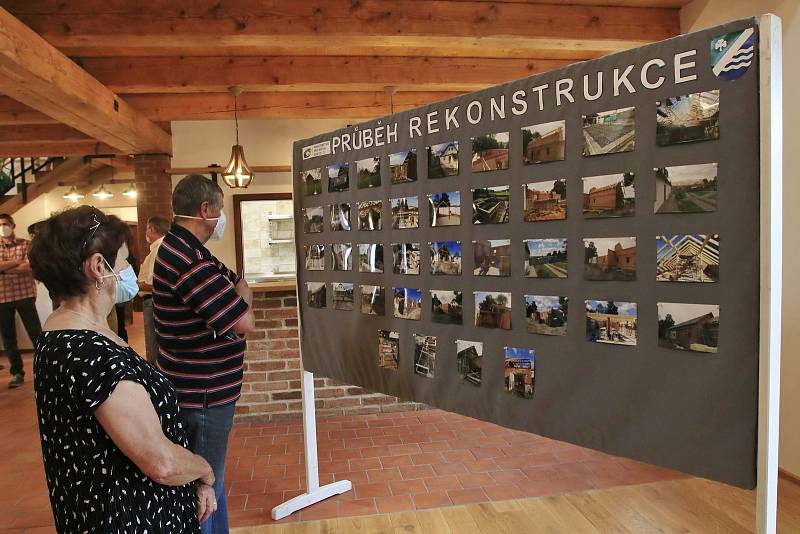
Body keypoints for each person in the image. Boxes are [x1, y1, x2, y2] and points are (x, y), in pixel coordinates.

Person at [28, 206, 217, 533]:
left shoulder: (60, 332)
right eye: (124, 261)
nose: (128, 270)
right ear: (98, 266)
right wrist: (204, 470)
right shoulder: (92, 353)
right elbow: (160, 462)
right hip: (131, 518)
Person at [154, 175, 255, 534]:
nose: (221, 218)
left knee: (210, 482)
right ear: (205, 209)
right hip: (204, 396)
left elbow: (234, 285)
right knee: (206, 486)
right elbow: (244, 320)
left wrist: (235, 299)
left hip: (200, 390)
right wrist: (239, 300)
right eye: (221, 210)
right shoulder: (189, 261)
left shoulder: (189, 250)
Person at [0, 213, 42, 388]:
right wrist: (16, 262)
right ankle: (17, 372)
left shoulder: (26, 244)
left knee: (36, 334)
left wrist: (4, 267)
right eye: (0, 225)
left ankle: (44, 369)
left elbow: (29, 266)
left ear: (13, 225)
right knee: (9, 338)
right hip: (2, 298)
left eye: (5, 224)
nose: (3, 227)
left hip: (24, 294)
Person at [137, 215, 169, 364]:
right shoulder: (158, 248)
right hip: (152, 301)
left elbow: (156, 284)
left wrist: (136, 285)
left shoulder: (159, 249)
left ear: (151, 229)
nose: (146, 233)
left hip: (153, 301)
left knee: (154, 346)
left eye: (146, 229)